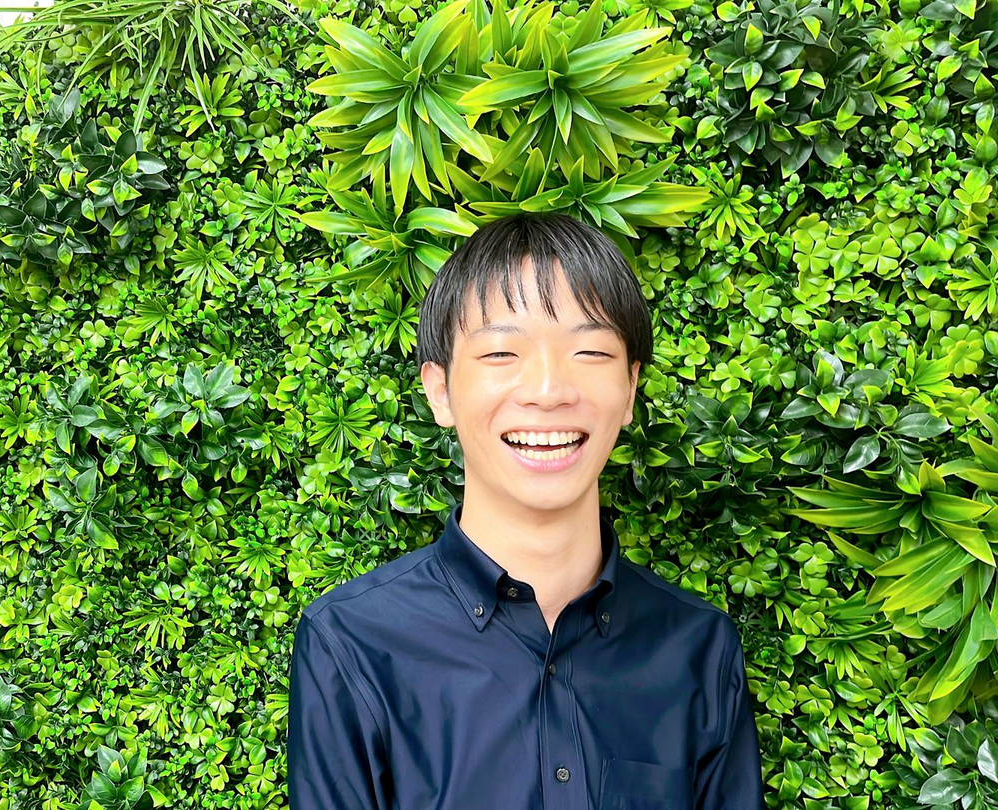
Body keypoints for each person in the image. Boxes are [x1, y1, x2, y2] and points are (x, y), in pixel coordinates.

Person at [285, 212, 764, 809]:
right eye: (501, 352)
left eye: (590, 351)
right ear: (439, 391)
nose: (548, 390)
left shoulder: (698, 647)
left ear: (630, 388)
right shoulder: (353, 642)